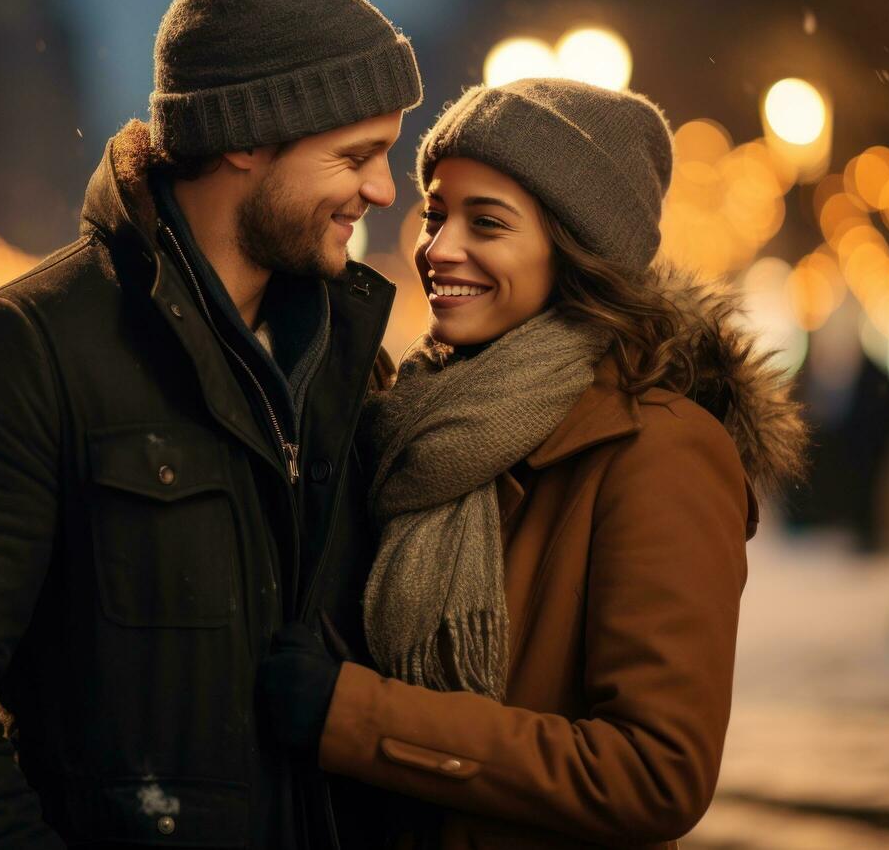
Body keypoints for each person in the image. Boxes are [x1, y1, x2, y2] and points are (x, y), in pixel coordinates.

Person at [0, 0, 422, 848]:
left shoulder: (346, 369)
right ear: (248, 139)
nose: (384, 190)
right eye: (356, 156)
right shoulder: (16, 352)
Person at [257, 79, 808, 848]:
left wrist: (352, 714)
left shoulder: (656, 451)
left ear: (575, 255)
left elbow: (655, 774)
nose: (438, 247)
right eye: (438, 213)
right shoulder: (410, 424)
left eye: (486, 223)